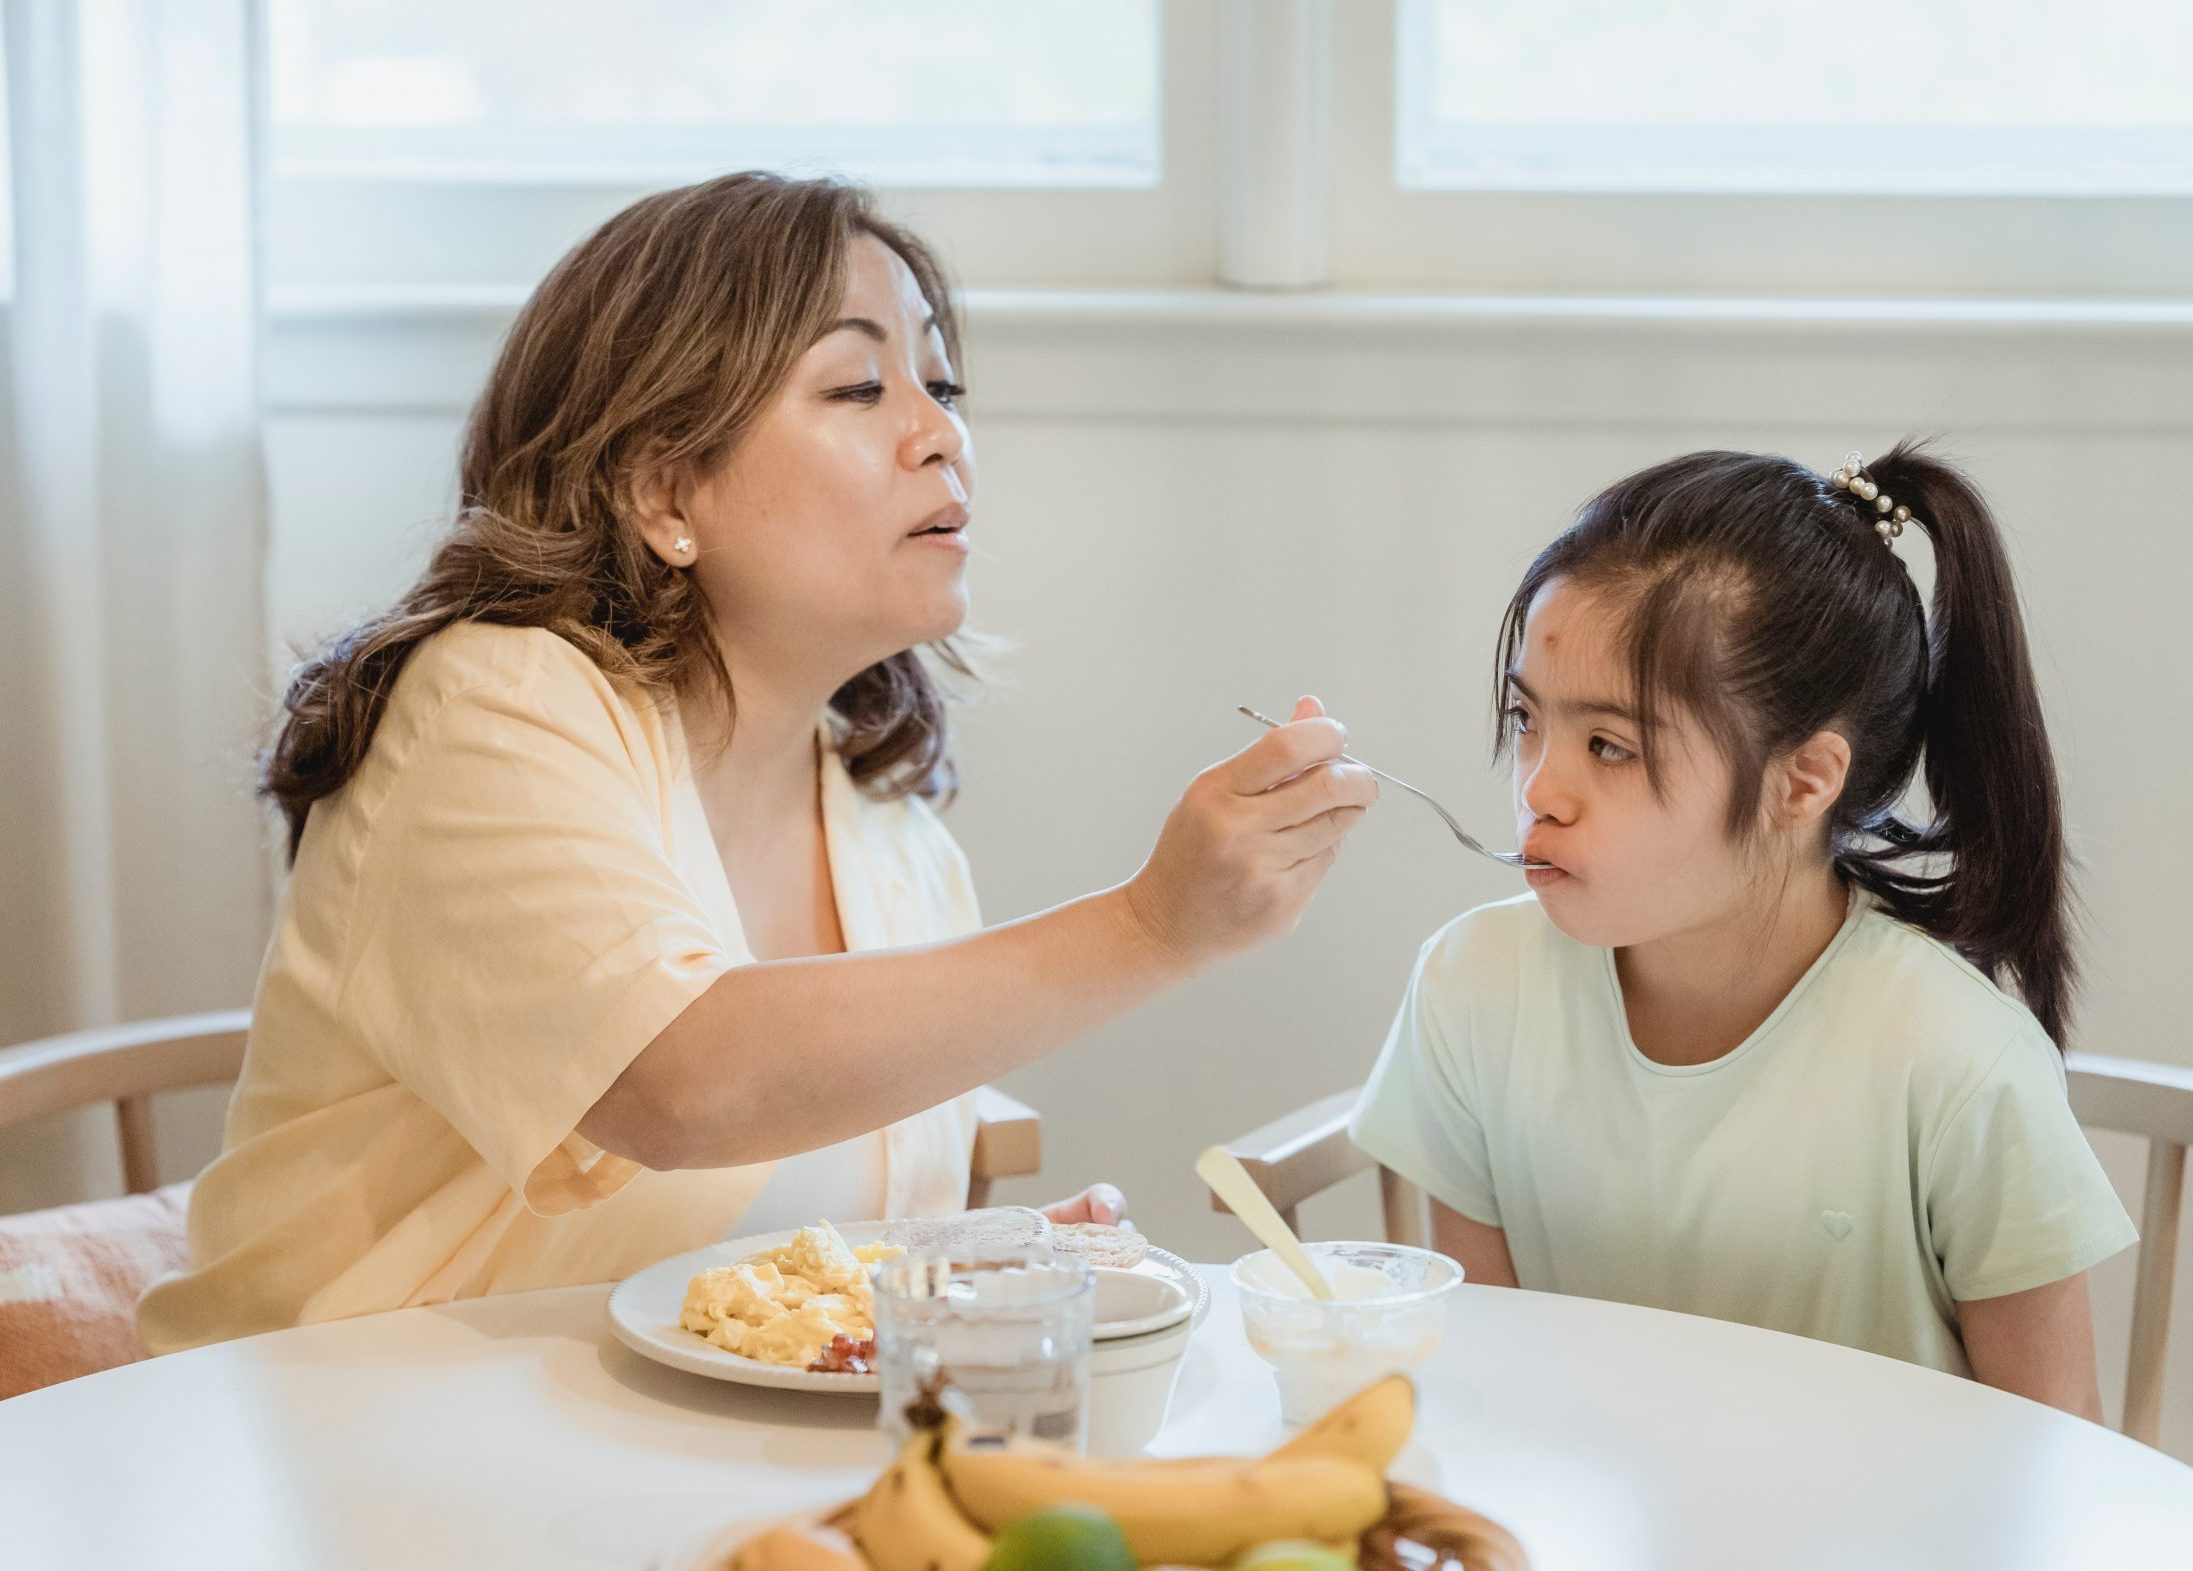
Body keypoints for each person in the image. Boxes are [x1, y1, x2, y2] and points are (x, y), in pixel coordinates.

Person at [138, 173, 1376, 1353]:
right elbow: (680, 1082)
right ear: (663, 488)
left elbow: (780, 1262)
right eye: (856, 388)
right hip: (341, 1453)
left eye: (940, 382)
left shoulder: (898, 847)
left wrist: (958, 1271)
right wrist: (1155, 926)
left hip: (634, 1482)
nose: (942, 432)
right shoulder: (487, 705)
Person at [1351, 444, 2135, 1418]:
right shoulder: (1473, 987)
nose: (1539, 788)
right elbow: (1490, 1383)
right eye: (1526, 719)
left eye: (1609, 746)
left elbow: (2058, 1458)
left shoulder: (1957, 1064)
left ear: (1803, 781)